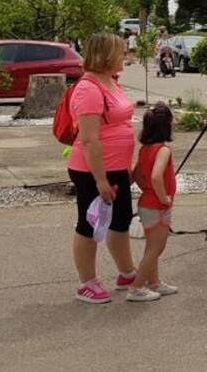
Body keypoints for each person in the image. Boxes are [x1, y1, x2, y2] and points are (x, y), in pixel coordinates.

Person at [66, 33, 138, 304]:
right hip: (92, 170)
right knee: (89, 223)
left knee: (120, 221)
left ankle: (127, 272)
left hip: (115, 167)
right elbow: (89, 138)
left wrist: (124, 166)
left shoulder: (110, 82)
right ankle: (87, 282)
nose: (125, 57)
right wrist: (100, 180)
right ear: (106, 55)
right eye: (121, 52)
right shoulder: (88, 89)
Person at [127, 102, 179, 302]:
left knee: (152, 246)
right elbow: (157, 176)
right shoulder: (163, 150)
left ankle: (154, 282)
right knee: (156, 248)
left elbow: (137, 173)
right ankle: (137, 286)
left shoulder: (145, 149)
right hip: (157, 205)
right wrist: (163, 196)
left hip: (145, 202)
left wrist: (145, 187)